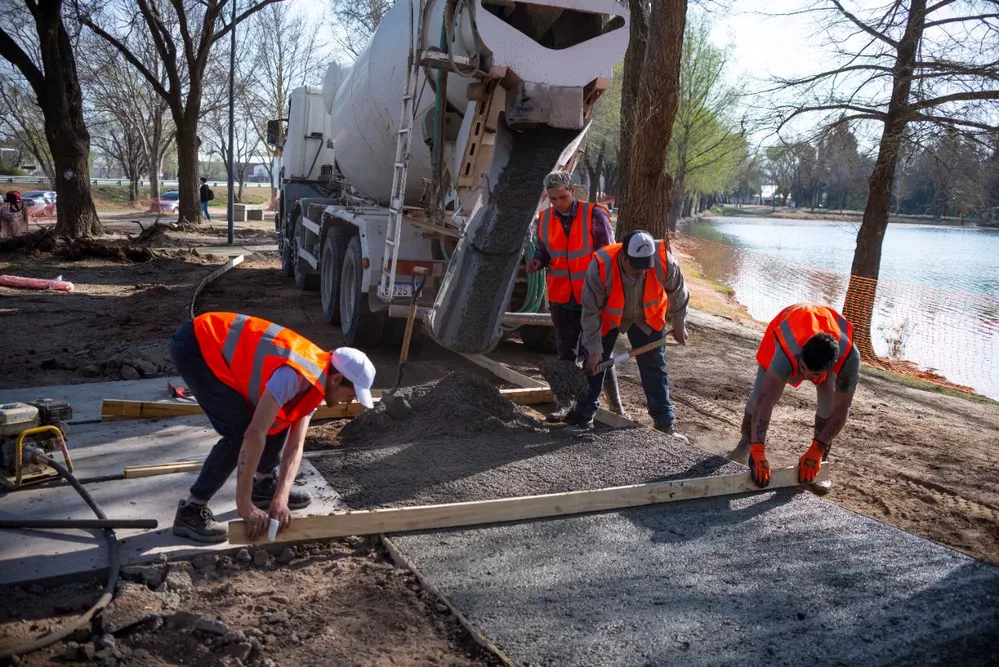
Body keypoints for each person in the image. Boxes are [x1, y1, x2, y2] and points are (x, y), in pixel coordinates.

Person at [169, 312, 376, 543]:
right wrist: (243, 505)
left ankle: (264, 484)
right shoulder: (294, 376)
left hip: (211, 346)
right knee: (238, 433)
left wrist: (282, 498)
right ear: (337, 379)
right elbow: (254, 433)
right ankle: (191, 510)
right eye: (352, 394)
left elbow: (295, 447)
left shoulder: (318, 383)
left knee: (280, 418)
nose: (352, 401)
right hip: (198, 345)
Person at [729, 302, 858, 494]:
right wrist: (758, 449)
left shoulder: (849, 359)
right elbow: (766, 401)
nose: (804, 377)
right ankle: (746, 444)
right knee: (758, 395)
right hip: (785, 333)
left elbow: (842, 409)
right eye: (803, 369)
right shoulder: (786, 349)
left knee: (828, 400)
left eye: (811, 374)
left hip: (828, 347)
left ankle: (820, 461)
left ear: (832, 366)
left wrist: (818, 448)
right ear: (801, 354)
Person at [571, 229, 690, 435]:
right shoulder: (601, 266)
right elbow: (590, 312)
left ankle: (665, 422)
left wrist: (679, 324)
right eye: (636, 267)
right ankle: (583, 416)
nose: (642, 272)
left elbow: (678, 291)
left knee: (654, 366)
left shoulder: (663, 261)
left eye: (646, 267)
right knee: (595, 362)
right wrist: (594, 347)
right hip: (608, 316)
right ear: (624, 256)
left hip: (647, 317)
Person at [527, 171, 614, 422]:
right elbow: (545, 252)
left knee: (594, 353)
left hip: (591, 298)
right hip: (561, 296)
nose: (558, 204)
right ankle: (564, 403)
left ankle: (586, 407)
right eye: (553, 199)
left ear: (572, 191)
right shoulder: (544, 219)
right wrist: (537, 262)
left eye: (563, 197)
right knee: (565, 352)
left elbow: (606, 254)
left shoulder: (594, 214)